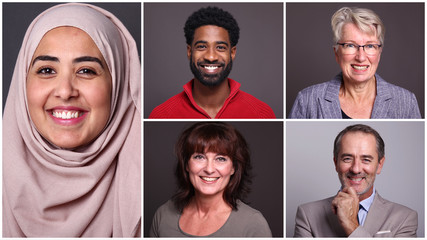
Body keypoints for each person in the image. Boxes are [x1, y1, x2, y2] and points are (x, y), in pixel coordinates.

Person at [3, 3, 141, 237]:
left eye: (86, 70)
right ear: (23, 83)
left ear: (118, 84)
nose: (65, 91)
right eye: (47, 70)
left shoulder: (145, 190)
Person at [289, 7, 421, 119]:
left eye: (370, 46)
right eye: (351, 45)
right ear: (337, 53)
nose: (361, 57)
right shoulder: (307, 100)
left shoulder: (406, 103)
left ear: (379, 53)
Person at [149, 6, 275, 119]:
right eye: (202, 46)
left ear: (232, 53)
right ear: (189, 51)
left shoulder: (262, 114)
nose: (211, 56)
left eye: (220, 47)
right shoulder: (160, 115)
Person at [150, 122, 272, 237]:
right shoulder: (163, 215)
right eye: (199, 157)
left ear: (233, 168)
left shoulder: (253, 224)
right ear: (186, 164)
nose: (209, 169)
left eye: (220, 159)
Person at [294, 124, 418, 237]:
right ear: (336, 163)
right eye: (347, 158)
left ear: (379, 165)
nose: (356, 169)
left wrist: (351, 225)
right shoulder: (308, 215)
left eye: (366, 160)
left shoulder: (405, 218)